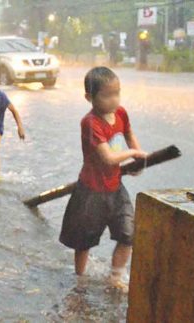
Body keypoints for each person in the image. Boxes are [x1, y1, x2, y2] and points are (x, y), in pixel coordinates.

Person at [59, 66, 147, 293]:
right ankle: (79, 278)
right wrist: (132, 155)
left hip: (115, 186)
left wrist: (138, 157)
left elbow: (128, 133)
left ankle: (115, 277)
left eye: (117, 93)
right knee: (84, 240)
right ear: (89, 97)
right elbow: (108, 158)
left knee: (128, 234)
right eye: (107, 95)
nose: (114, 99)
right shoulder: (90, 123)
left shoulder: (121, 113)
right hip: (91, 191)